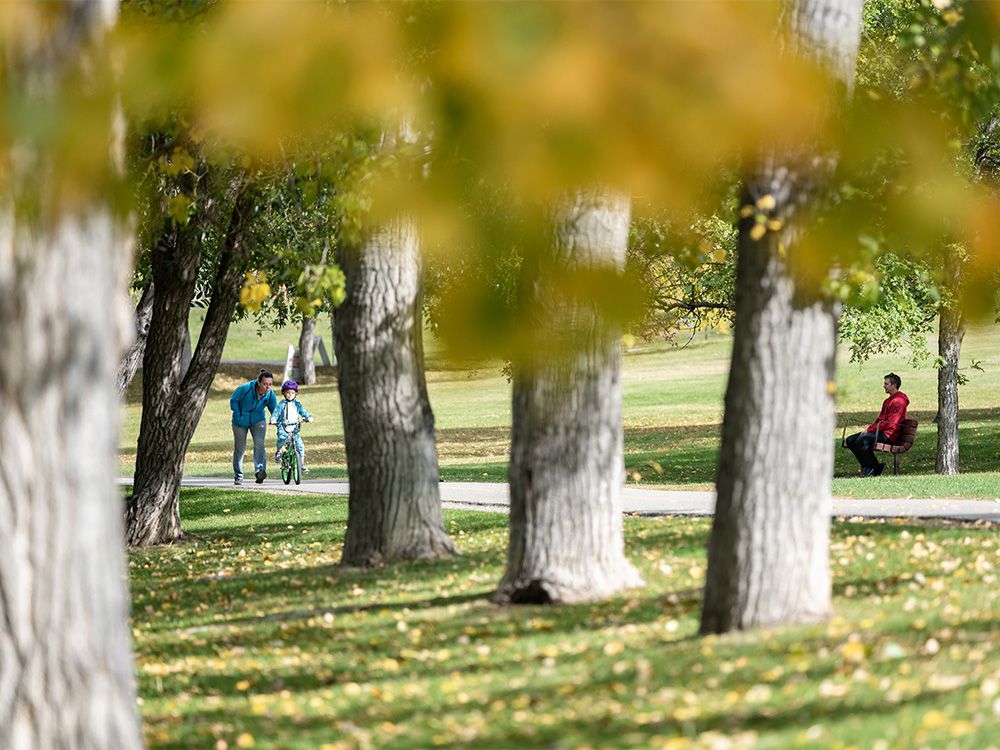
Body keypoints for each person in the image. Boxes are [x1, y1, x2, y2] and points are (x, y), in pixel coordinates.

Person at [844, 373, 909, 478]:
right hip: (881, 431)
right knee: (850, 440)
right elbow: (880, 420)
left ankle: (871, 469)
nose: (884, 386)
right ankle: (872, 467)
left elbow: (891, 422)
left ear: (894, 385)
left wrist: (871, 430)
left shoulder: (899, 401)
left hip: (890, 434)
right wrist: (870, 429)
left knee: (862, 440)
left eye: (886, 384)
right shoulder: (887, 401)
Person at [230, 369, 278, 485]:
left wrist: (276, 419)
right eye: (265, 384)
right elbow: (234, 400)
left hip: (258, 420)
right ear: (258, 382)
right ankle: (239, 476)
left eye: (270, 384)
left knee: (259, 445)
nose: (268, 387)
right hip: (240, 422)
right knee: (240, 448)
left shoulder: (270, 394)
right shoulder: (245, 388)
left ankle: (260, 471)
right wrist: (238, 415)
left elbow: (275, 410)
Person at [271, 379, 314, 473]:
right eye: (288, 393)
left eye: (292, 393)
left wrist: (308, 417)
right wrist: (273, 419)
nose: (290, 395)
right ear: (284, 393)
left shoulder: (297, 404)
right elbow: (276, 412)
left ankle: (301, 464)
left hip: (294, 427)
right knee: (282, 437)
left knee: (300, 446)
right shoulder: (282, 404)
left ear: (295, 394)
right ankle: (279, 451)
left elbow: (303, 412)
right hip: (283, 426)